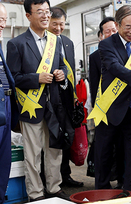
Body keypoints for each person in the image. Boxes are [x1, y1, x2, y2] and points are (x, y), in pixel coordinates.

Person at [6, 0, 69, 201]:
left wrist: (62, 73)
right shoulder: (16, 44)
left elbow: (63, 66)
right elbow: (12, 77)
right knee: (32, 154)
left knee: (54, 151)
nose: (45, 16)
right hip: (30, 106)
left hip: (54, 105)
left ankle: (54, 188)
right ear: (28, 16)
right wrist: (36, 78)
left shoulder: (55, 40)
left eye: (47, 11)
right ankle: (35, 194)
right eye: (39, 12)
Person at [88, 5, 131, 193]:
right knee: (104, 151)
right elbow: (114, 66)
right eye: (128, 27)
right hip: (110, 107)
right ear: (118, 24)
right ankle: (102, 189)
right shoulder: (106, 44)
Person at [47, 6, 84, 188]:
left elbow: (71, 72)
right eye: (55, 24)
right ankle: (51, 179)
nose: (58, 28)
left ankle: (65, 175)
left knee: (68, 136)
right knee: (53, 138)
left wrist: (74, 94)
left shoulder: (68, 42)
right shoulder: (44, 43)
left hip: (67, 96)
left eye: (62, 24)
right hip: (49, 97)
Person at [87, 17, 124, 189]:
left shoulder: (127, 52)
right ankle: (102, 185)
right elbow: (94, 86)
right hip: (104, 109)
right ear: (101, 35)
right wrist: (98, 108)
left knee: (123, 148)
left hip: (124, 110)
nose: (111, 34)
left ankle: (123, 182)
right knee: (103, 150)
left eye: (114, 30)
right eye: (107, 31)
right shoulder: (95, 56)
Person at [0, 1, 18, 203]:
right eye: (0, 20)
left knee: (2, 164)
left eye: (5, 20)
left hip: (5, 107)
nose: (3, 25)